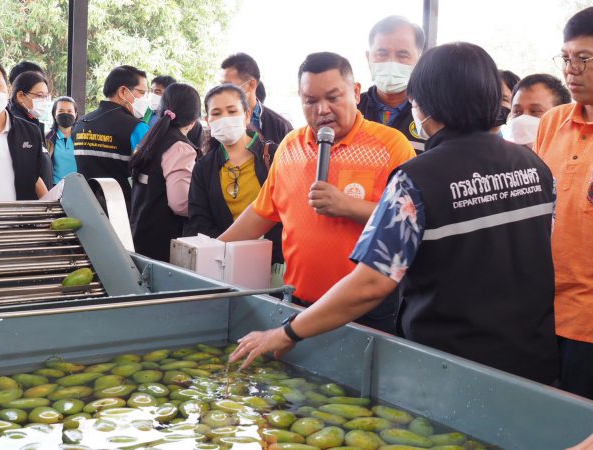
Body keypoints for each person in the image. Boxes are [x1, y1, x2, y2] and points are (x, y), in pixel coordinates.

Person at [229, 43, 559, 388]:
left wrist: (288, 332)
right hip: (530, 360)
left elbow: (371, 284)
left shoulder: (418, 179)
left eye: (414, 102)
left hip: (450, 367)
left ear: (430, 105)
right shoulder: (536, 168)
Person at [219, 52, 415, 331]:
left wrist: (348, 206)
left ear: (356, 92)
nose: (322, 109)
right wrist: (211, 248)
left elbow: (408, 221)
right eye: (311, 101)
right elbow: (262, 213)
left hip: (364, 309)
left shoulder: (391, 146)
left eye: (333, 97)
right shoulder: (290, 146)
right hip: (298, 301)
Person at [534, 6, 593, 400]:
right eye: (566, 58)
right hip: (541, 310)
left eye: (585, 59)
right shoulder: (552, 122)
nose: (572, 70)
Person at [185, 84, 284, 265]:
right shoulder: (203, 167)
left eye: (232, 111)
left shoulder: (275, 156)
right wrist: (226, 254)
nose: (225, 118)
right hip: (224, 264)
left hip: (272, 264)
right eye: (216, 113)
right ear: (208, 120)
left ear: (246, 115)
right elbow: (198, 222)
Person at [130, 83, 201, 262]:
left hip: (139, 231)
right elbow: (180, 204)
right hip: (162, 242)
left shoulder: (150, 138)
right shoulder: (180, 148)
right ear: (193, 120)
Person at [73, 65, 150, 210]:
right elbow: (148, 176)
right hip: (123, 211)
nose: (144, 99)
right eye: (141, 92)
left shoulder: (80, 124)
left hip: (86, 209)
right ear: (122, 91)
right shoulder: (137, 128)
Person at [358, 15, 426, 153]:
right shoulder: (351, 109)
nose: (391, 62)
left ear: (419, 62)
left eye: (403, 55)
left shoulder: (432, 114)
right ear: (368, 57)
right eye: (382, 53)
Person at [0, 60, 46, 200]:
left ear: (8, 89)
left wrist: (49, 205)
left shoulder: (30, 132)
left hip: (20, 219)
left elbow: (34, 177)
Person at [220, 53, 293, 144]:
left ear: (251, 85)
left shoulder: (281, 127)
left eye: (229, 86)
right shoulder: (218, 122)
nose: (222, 92)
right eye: (221, 86)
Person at [9, 71, 53, 189]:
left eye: (46, 96)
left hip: (41, 203)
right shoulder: (15, 126)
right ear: (20, 96)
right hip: (28, 204)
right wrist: (47, 199)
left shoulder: (34, 124)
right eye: (39, 96)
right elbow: (29, 172)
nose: (44, 101)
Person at [507, 74, 571, 148]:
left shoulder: (575, 156)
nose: (523, 119)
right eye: (517, 112)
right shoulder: (500, 157)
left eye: (535, 111)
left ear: (561, 117)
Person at [45, 96, 78, 184]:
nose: (66, 114)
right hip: (54, 188)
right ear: (54, 115)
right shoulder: (46, 138)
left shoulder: (82, 137)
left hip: (79, 187)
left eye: (70, 111)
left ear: (75, 114)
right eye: (61, 111)